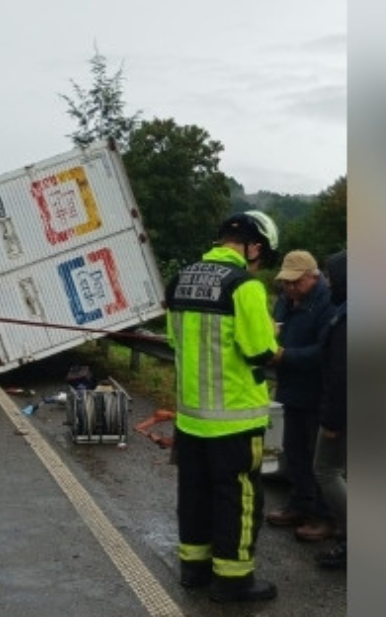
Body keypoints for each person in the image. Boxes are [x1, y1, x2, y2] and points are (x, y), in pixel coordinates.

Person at [166, 210, 282, 603]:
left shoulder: (179, 280)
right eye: (262, 255)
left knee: (194, 493)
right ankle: (234, 581)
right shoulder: (243, 285)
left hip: (191, 417)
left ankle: (193, 569)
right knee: (239, 499)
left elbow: (173, 341)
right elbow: (259, 350)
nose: (260, 262)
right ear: (254, 245)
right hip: (234, 419)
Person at [264, 251, 336, 542]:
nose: (290, 288)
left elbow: (326, 351)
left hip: (318, 391)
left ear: (313, 277)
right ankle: (300, 504)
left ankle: (325, 516)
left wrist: (286, 356)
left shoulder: (327, 304)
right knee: (293, 451)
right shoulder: (286, 300)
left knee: (318, 458)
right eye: (286, 283)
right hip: (291, 389)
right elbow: (276, 328)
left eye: (296, 282)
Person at [313, 250, 347, 568]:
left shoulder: (345, 318)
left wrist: (332, 420)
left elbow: (341, 374)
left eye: (331, 276)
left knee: (326, 470)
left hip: (344, 412)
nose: (327, 281)